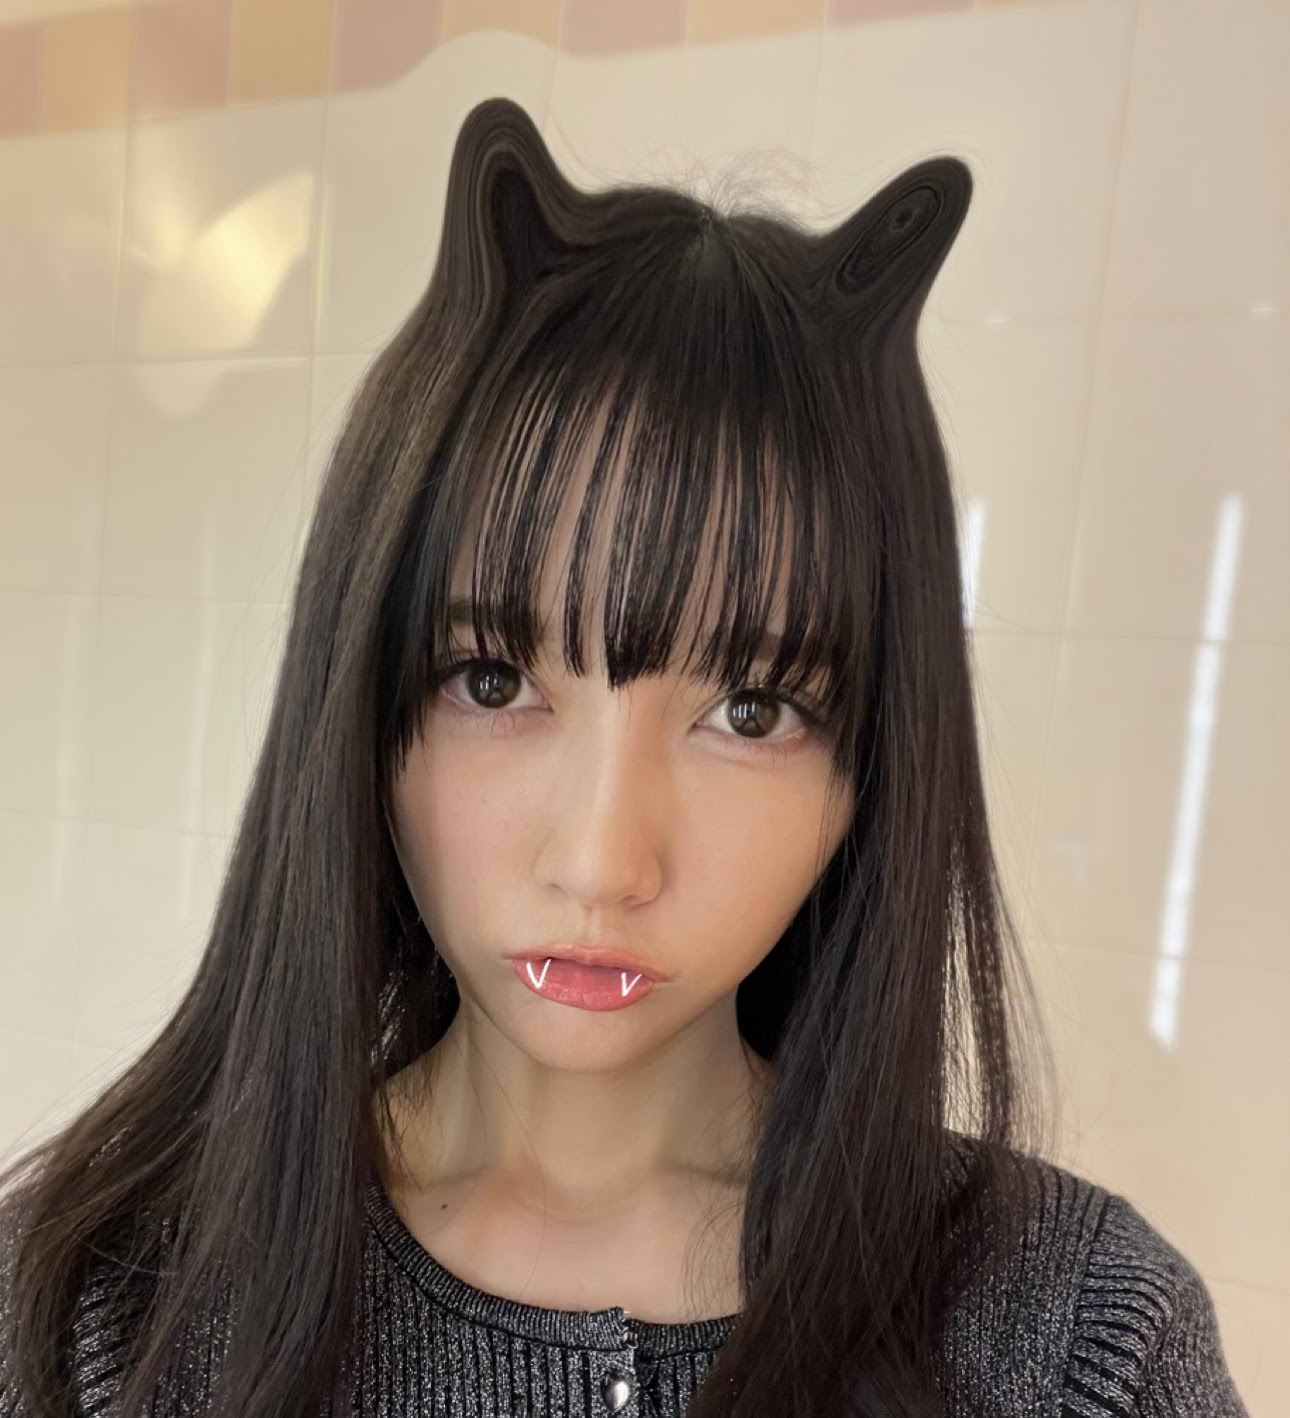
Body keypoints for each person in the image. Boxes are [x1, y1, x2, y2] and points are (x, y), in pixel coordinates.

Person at [0, 96, 1248, 1418]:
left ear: (871, 772)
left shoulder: (1075, 1335)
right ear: (360, 709)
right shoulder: (96, 1312)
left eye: (752, 712)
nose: (602, 861)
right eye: (493, 681)